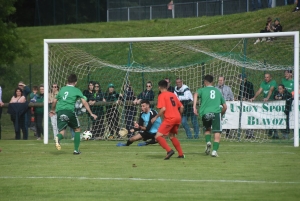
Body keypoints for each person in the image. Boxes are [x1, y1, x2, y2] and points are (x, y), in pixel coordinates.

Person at [49, 74, 97, 155]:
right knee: (77, 129)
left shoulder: (62, 89)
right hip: (69, 111)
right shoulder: (76, 90)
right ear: (76, 82)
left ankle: (58, 137)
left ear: (67, 81)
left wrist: (52, 110)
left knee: (62, 132)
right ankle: (76, 150)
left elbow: (54, 101)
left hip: (60, 112)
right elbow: (84, 102)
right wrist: (91, 113)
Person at [193, 75, 227, 157]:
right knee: (217, 132)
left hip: (205, 113)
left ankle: (208, 142)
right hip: (216, 113)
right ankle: (214, 151)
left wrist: (194, 107)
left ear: (205, 82)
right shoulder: (218, 91)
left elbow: (195, 94)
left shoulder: (202, 90)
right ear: (213, 82)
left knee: (207, 129)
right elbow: (225, 106)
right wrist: (221, 114)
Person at [151, 80, 184, 160]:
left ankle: (169, 151)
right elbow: (182, 107)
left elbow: (163, 108)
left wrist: (156, 117)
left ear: (159, 87)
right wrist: (179, 116)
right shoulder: (172, 94)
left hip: (170, 118)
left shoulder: (161, 95)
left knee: (158, 136)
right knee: (172, 136)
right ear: (167, 86)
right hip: (177, 117)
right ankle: (181, 154)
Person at [250, 73, 277, 137]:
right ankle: (270, 132)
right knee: (267, 118)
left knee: (274, 118)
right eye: (265, 77)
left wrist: (267, 98)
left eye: (267, 77)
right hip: (266, 104)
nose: (266, 78)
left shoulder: (273, 82)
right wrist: (254, 97)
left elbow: (271, 90)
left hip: (273, 103)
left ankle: (276, 134)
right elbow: (259, 91)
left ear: (270, 77)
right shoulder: (263, 83)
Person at [237, 74, 255, 139]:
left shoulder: (249, 84)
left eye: (240, 78)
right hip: (244, 104)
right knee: (245, 118)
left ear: (244, 78)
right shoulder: (241, 85)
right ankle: (247, 134)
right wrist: (239, 98)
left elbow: (252, 94)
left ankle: (251, 134)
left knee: (250, 118)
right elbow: (240, 94)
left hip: (249, 103)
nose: (239, 79)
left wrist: (246, 98)